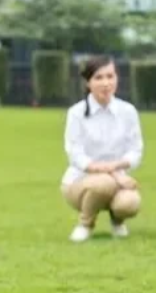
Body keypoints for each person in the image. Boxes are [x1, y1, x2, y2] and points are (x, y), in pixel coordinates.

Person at [60, 55, 143, 242]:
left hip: (117, 183)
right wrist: (115, 174)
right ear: (88, 82)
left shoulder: (128, 112)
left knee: (130, 203)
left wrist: (117, 171)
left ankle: (118, 221)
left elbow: (135, 151)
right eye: (99, 78)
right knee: (103, 183)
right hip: (80, 183)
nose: (106, 83)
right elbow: (77, 156)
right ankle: (85, 224)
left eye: (110, 76)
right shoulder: (76, 113)